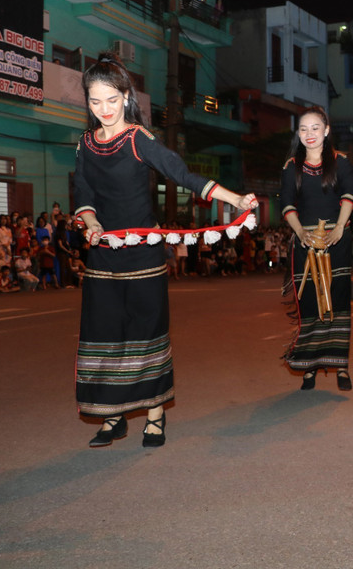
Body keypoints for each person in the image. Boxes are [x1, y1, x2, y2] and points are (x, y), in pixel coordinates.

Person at [73, 51, 256, 448]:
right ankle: (113, 416)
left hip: (143, 257)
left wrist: (236, 200)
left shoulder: (140, 140)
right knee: (105, 335)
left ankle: (155, 416)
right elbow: (84, 196)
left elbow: (184, 174)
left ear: (126, 97)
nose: (104, 109)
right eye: (94, 100)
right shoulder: (86, 145)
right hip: (103, 257)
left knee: (146, 333)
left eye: (111, 99)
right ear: (87, 101)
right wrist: (91, 225)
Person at [280, 106, 353, 391]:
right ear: (298, 134)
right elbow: (287, 204)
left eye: (315, 128)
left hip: (337, 241)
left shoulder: (341, 162)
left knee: (337, 303)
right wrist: (300, 232)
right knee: (310, 304)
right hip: (305, 243)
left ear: (326, 131)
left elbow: (350, 195)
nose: (309, 134)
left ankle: (341, 366)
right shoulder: (291, 166)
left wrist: (339, 227)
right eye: (303, 129)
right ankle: (309, 365)